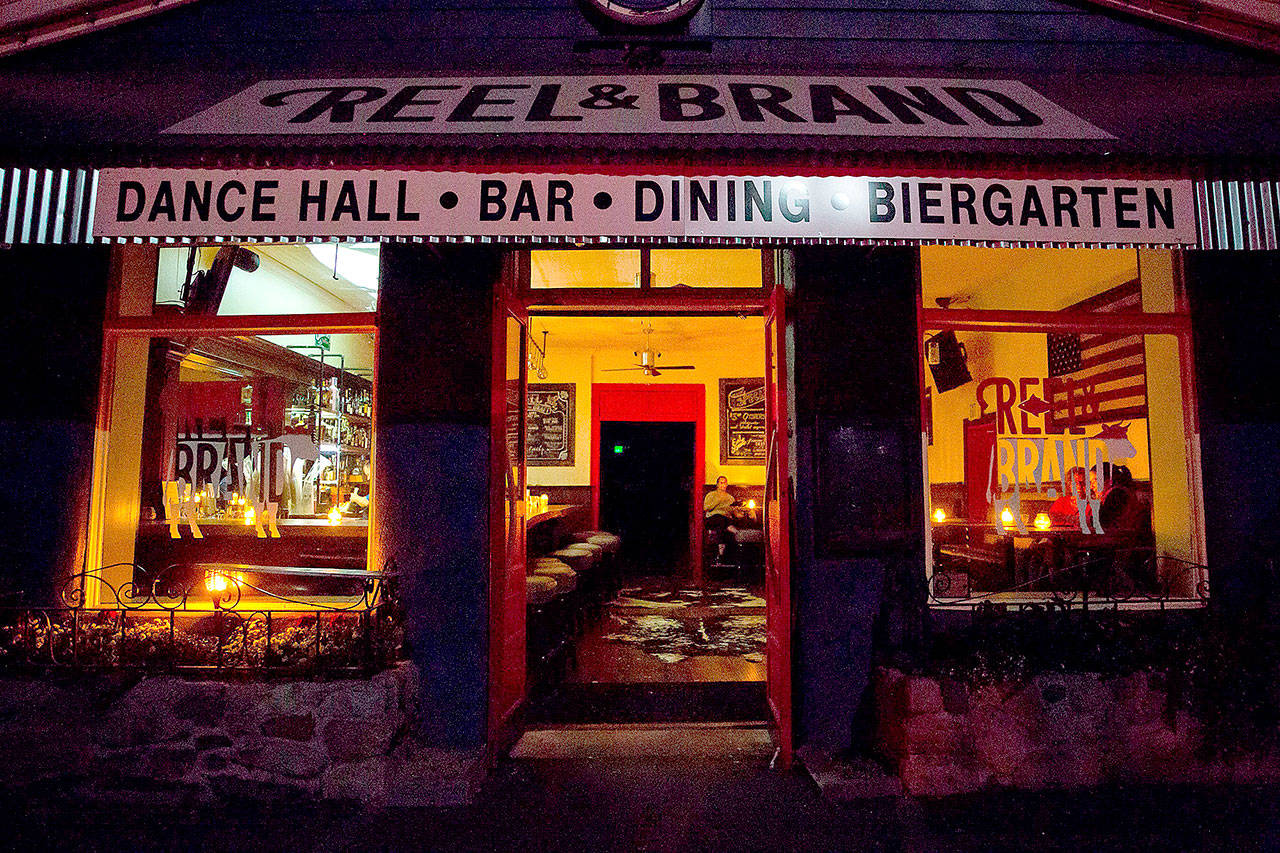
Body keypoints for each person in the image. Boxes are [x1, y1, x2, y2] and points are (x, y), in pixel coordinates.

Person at [704, 475, 737, 563]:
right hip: (712, 518)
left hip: (725, 520)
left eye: (725, 483)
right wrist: (718, 500)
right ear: (717, 484)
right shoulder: (711, 495)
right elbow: (706, 508)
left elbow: (733, 512)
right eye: (721, 483)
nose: (723, 485)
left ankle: (721, 554)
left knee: (721, 525)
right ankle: (730, 527)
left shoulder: (730, 498)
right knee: (719, 518)